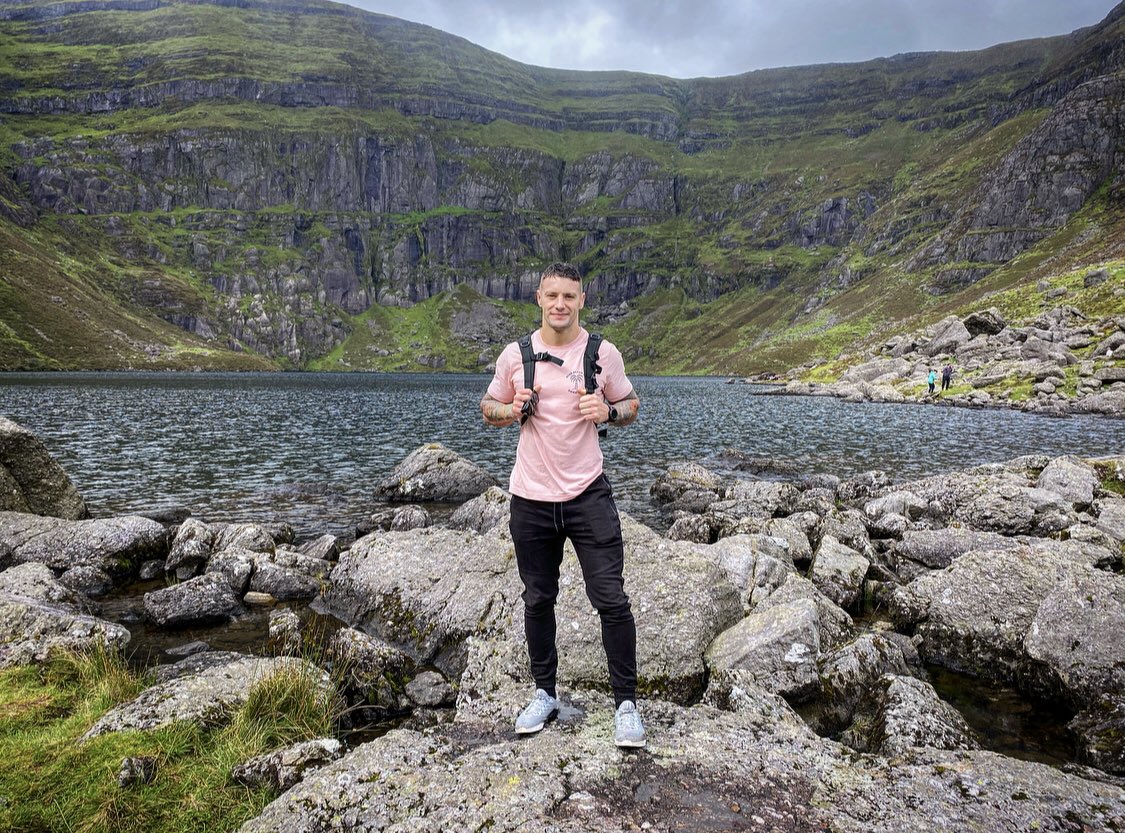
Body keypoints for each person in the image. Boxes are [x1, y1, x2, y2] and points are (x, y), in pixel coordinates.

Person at [480, 261, 644, 748]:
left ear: (581, 300)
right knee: (538, 598)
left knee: (610, 598)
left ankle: (626, 706)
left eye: (569, 297)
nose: (560, 305)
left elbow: (632, 404)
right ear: (538, 298)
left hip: (587, 494)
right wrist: (510, 411)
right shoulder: (517, 355)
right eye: (552, 296)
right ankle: (544, 693)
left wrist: (608, 411)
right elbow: (488, 408)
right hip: (530, 498)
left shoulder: (601, 353)